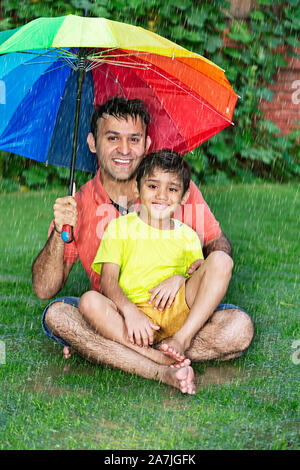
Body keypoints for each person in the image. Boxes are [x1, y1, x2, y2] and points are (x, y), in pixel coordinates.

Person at [32, 96, 254, 394]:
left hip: (177, 312)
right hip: (118, 314)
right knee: (59, 315)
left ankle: (108, 351)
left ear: (147, 143)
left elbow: (218, 245)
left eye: (133, 139)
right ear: (92, 142)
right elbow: (44, 289)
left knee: (238, 328)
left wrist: (187, 277)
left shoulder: (171, 187)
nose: (124, 150)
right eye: (112, 138)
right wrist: (60, 231)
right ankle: (157, 363)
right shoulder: (80, 203)